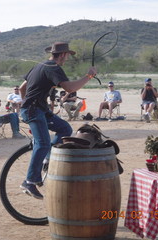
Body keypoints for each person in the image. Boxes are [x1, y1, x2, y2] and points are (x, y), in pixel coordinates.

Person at [19, 41, 97, 199]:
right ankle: (30, 181)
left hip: (37, 110)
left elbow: (22, 88)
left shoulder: (39, 66)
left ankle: (48, 158)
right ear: (62, 54)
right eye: (67, 55)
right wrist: (89, 75)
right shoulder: (53, 67)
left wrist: (25, 105)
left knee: (65, 129)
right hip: (35, 110)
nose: (67, 58)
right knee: (43, 143)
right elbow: (69, 88)